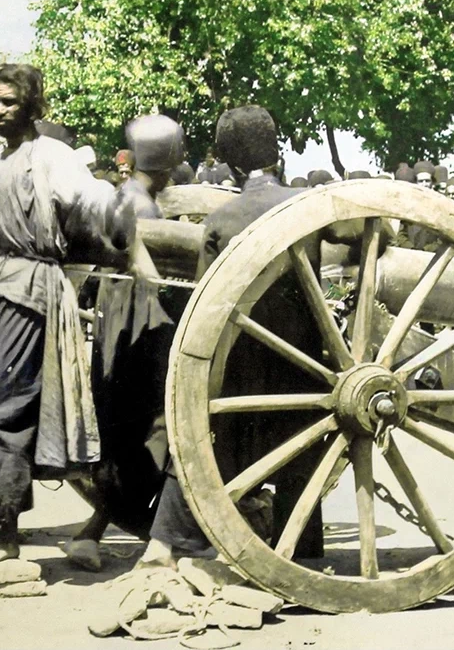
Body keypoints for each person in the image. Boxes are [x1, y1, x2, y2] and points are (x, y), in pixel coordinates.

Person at [0, 63, 137, 561]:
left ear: (31, 106)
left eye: (10, 102)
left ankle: (1, 537)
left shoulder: (52, 156)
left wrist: (129, 218)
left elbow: (93, 198)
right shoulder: (5, 159)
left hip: (31, 288)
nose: (0, 111)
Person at [141, 106, 328, 570]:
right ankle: (300, 543)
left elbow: (207, 308)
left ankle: (168, 539)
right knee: (304, 433)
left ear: (229, 162)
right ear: (275, 148)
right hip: (301, 361)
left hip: (241, 362)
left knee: (202, 429)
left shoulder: (222, 222)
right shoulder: (306, 209)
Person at [65, 114, 185, 570]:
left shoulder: (123, 197)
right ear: (167, 163)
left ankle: (94, 533)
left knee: (126, 432)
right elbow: (158, 282)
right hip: (145, 326)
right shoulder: (146, 209)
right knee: (152, 431)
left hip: (118, 323)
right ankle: (141, 538)